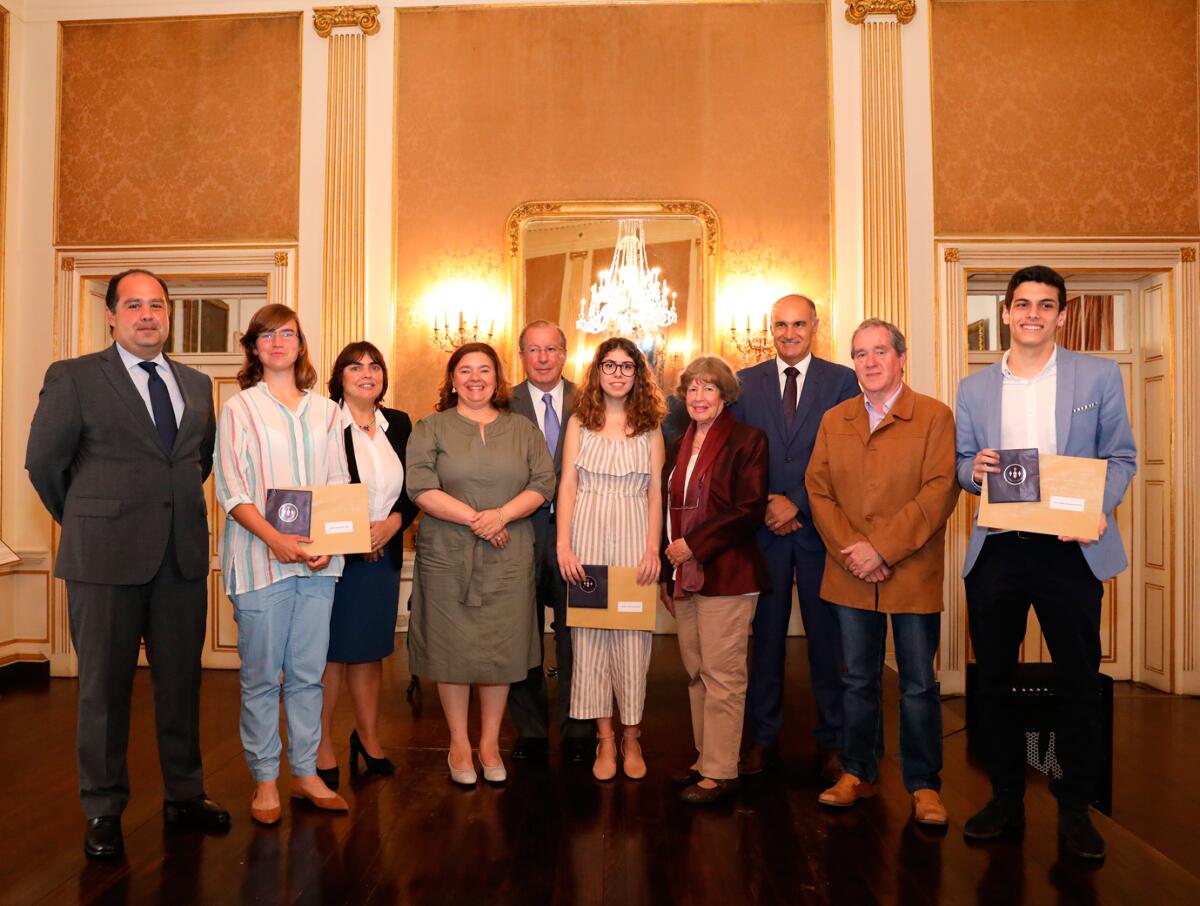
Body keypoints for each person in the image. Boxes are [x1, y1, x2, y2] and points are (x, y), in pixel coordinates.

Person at [26, 268, 229, 859]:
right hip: (102, 561)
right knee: (103, 691)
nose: (147, 315)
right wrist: (92, 521)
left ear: (169, 315)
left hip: (181, 558)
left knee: (181, 686)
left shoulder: (195, 384)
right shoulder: (75, 377)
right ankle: (103, 809)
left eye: (157, 305)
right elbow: (45, 464)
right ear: (110, 315)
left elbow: (197, 462)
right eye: (134, 305)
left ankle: (184, 795)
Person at [956, 265, 1136, 860]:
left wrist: (1095, 508)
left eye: (1046, 305)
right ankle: (1006, 798)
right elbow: (962, 462)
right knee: (995, 684)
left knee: (1078, 684)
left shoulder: (1099, 375)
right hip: (1000, 548)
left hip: (1069, 551)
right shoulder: (974, 387)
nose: (1033, 314)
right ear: (1005, 313)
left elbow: (1121, 458)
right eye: (1023, 304)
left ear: (1060, 314)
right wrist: (972, 470)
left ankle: (1075, 810)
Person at [806, 319, 960, 825]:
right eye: (859, 354)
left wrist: (882, 548)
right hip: (849, 570)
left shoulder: (935, 418)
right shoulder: (835, 419)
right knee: (856, 681)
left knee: (917, 684)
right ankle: (858, 772)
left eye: (879, 352)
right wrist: (856, 549)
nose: (869, 362)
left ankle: (924, 786)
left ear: (900, 357)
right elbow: (818, 490)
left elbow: (940, 491)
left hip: (910, 571)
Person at [214, 304, 350, 824]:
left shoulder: (328, 412)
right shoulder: (239, 409)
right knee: (261, 678)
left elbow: (338, 481)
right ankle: (265, 779)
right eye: (266, 335)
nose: (277, 342)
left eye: (286, 334)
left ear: (300, 344)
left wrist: (327, 543)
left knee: (308, 675)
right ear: (253, 347)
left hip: (318, 563)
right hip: (259, 563)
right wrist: (276, 539)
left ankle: (306, 772)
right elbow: (232, 488)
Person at [406, 342, 555, 786]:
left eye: (484, 370)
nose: (475, 378)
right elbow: (419, 485)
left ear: (497, 378)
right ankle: (458, 743)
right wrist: (478, 520)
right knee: (453, 650)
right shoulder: (429, 427)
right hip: (447, 556)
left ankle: (489, 743)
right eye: (465, 370)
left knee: (500, 650)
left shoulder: (523, 429)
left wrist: (501, 516)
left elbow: (544, 481)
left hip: (510, 555)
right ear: (452, 380)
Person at [730, 293, 860, 780]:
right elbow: (736, 458)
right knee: (764, 644)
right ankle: (762, 740)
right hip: (763, 536)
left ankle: (834, 742)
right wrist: (764, 503)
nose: (789, 333)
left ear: (815, 327)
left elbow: (847, 457)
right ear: (770, 328)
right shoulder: (744, 384)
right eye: (781, 325)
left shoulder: (844, 382)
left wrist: (798, 503)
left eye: (798, 324)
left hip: (819, 533)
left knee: (829, 646)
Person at [659, 356, 769, 804]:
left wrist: (693, 546)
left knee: (724, 675)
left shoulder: (748, 440)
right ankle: (706, 758)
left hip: (727, 572)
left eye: (708, 389)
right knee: (696, 672)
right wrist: (671, 573)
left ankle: (722, 772)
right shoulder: (677, 443)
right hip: (684, 573)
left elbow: (748, 509)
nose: (699, 398)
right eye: (692, 390)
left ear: (724, 396)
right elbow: (667, 511)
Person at [557, 337, 666, 782]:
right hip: (586, 538)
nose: (617, 373)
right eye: (609, 365)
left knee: (633, 641)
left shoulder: (652, 426)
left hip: (633, 538)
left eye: (627, 366)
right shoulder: (580, 422)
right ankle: (605, 739)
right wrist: (563, 545)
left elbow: (657, 491)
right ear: (597, 371)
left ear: (638, 374)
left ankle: (632, 735)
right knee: (590, 642)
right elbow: (567, 485)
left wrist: (652, 548)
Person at [315, 342, 419, 790]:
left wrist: (394, 523)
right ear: (339, 376)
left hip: (384, 557)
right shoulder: (322, 423)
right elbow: (317, 489)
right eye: (355, 367)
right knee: (331, 655)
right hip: (337, 559)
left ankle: (369, 739)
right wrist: (357, 537)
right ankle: (320, 746)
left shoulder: (398, 423)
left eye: (375, 366)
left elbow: (414, 488)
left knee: (371, 653)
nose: (366, 373)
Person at [506, 320, 596, 764]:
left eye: (552, 349)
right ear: (521, 355)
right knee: (522, 633)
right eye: (534, 350)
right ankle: (531, 730)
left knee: (575, 635)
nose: (543, 358)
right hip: (517, 534)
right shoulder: (503, 402)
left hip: (578, 537)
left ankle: (579, 730)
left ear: (565, 353)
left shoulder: (590, 400)